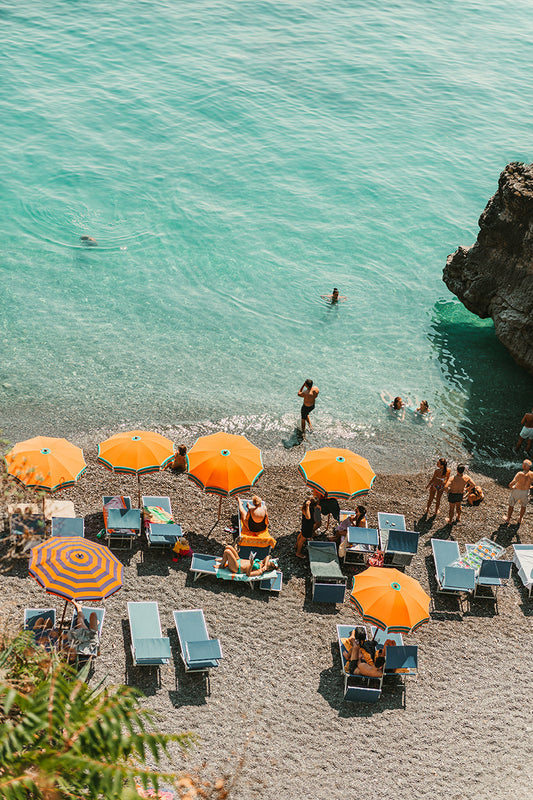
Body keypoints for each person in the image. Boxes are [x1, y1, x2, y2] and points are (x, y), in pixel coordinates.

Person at [503, 459, 533, 526]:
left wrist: (511, 486)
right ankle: (520, 518)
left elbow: (512, 483)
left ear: (524, 466)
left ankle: (508, 519)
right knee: (523, 506)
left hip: (517, 491)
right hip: (525, 492)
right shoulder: (532, 474)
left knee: (511, 504)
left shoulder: (520, 474)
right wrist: (530, 486)